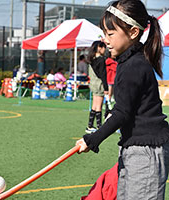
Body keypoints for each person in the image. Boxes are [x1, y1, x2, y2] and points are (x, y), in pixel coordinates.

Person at [76, 1, 169, 200]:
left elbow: (122, 113)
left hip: (146, 152)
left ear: (134, 33)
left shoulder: (134, 66)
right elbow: (127, 107)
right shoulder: (128, 62)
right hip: (132, 148)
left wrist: (92, 139)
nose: (106, 40)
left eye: (110, 34)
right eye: (104, 34)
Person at [85, 41, 108, 133]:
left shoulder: (91, 59)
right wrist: (106, 88)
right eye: (103, 48)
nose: (104, 50)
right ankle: (99, 126)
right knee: (99, 106)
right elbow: (103, 75)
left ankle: (90, 125)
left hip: (93, 84)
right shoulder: (101, 60)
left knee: (94, 106)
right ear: (99, 48)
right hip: (99, 84)